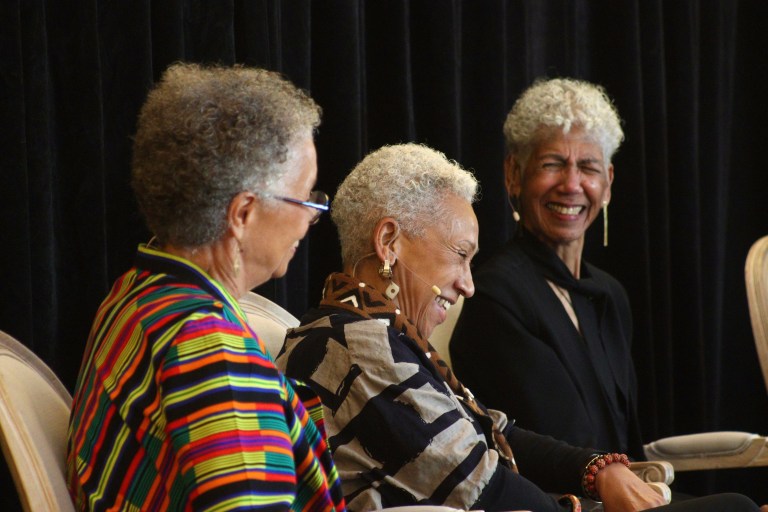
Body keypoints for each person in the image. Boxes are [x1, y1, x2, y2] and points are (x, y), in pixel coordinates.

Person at [275, 143, 760, 511]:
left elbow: (495, 428)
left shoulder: (371, 332)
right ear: (389, 242)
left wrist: (596, 471)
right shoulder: (358, 347)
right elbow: (488, 487)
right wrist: (581, 503)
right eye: (460, 255)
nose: (468, 285)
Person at [66, 63, 346, 511]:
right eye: (307, 197)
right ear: (242, 214)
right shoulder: (216, 354)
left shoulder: (135, 292)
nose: (312, 217)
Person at [449, 77, 644, 460]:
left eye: (588, 167)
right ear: (513, 175)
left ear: (607, 184)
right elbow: (556, 442)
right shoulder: (496, 294)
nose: (571, 185)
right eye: (552, 164)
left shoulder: (609, 295)